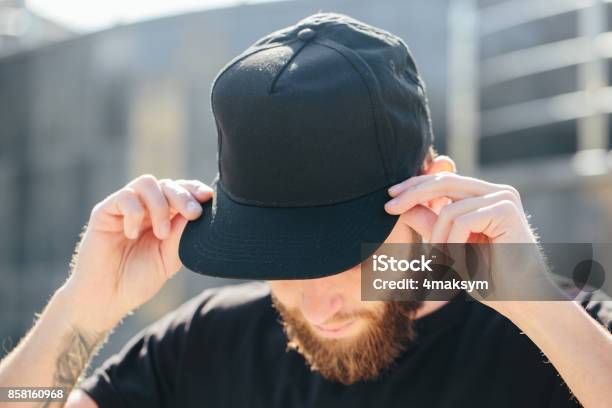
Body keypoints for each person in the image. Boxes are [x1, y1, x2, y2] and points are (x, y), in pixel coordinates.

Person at [1, 13, 611, 408]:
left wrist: (537, 303)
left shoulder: (561, 337)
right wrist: (83, 308)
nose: (318, 304)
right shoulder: (204, 344)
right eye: (280, 258)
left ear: (435, 192)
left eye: (346, 254)